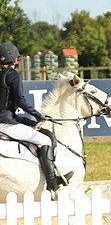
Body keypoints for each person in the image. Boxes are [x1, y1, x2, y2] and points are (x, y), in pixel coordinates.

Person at [0, 43, 67, 191]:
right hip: (6, 123)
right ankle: (52, 182)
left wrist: (26, 120)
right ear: (14, 60)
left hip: (6, 121)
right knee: (44, 140)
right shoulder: (13, 75)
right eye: (17, 59)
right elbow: (20, 101)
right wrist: (38, 115)